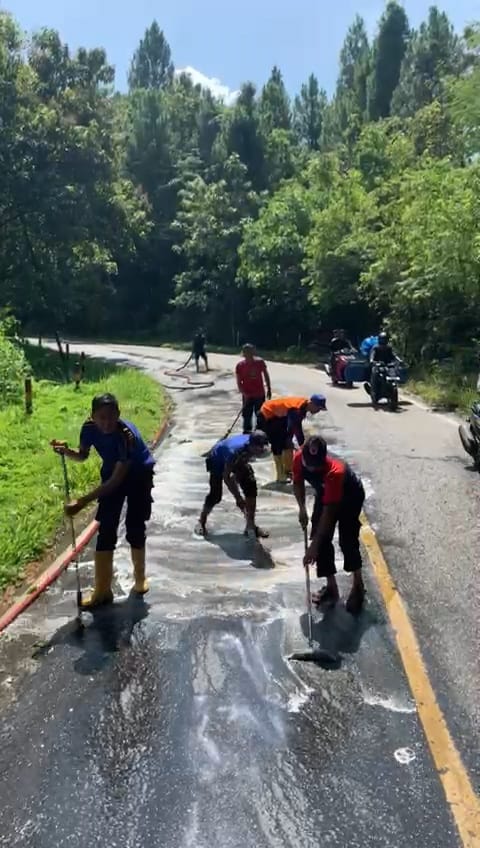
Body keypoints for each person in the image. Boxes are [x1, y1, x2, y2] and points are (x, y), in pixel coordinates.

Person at [51, 393, 155, 608]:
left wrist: (81, 501)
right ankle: (102, 591)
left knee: (135, 525)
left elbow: (116, 482)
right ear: (93, 416)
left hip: (138, 473)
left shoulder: (126, 437)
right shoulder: (88, 428)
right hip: (112, 469)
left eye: (111, 417)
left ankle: (140, 578)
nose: (106, 423)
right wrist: (66, 451)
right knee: (106, 527)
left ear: (118, 415)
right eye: (101, 417)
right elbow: (83, 455)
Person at [293, 435, 365, 615]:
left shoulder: (335, 472)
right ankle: (332, 588)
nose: (311, 467)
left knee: (347, 540)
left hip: (350, 496)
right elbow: (298, 482)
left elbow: (329, 513)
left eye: (315, 464)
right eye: (308, 462)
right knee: (321, 541)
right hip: (324, 494)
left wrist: (313, 548)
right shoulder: (298, 458)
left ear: (323, 458)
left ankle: (358, 585)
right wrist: (302, 508)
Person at [197, 431, 270, 537]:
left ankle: (251, 525)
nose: (261, 452)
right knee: (215, 495)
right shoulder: (235, 452)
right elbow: (227, 477)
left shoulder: (254, 445)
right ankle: (201, 521)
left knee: (251, 487)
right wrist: (238, 497)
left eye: (263, 448)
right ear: (251, 446)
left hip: (239, 459)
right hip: (217, 460)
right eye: (258, 449)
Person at [256, 394, 327, 483]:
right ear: (312, 403)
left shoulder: (303, 406)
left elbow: (292, 427)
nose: (318, 411)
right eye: (318, 408)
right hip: (267, 415)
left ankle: (288, 470)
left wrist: (291, 439)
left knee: (287, 442)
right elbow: (297, 429)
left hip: (279, 417)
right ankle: (281, 475)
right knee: (277, 444)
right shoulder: (297, 409)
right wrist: (303, 446)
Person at [235, 343, 272, 434]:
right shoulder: (240, 365)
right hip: (247, 395)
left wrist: (269, 388)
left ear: (253, 352)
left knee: (260, 415)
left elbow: (266, 375)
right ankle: (246, 434)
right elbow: (239, 382)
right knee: (247, 416)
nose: (249, 354)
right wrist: (244, 393)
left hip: (259, 394)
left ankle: (260, 434)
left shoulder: (260, 362)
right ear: (244, 353)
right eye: (246, 352)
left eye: (250, 352)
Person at [367, 331, 397, 399]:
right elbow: (372, 355)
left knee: (394, 373)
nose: (383, 340)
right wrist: (372, 361)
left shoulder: (389, 347)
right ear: (379, 339)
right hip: (378, 365)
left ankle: (390, 386)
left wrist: (399, 360)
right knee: (375, 374)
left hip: (388, 365)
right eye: (382, 339)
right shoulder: (376, 347)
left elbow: (394, 355)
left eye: (385, 339)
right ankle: (373, 390)